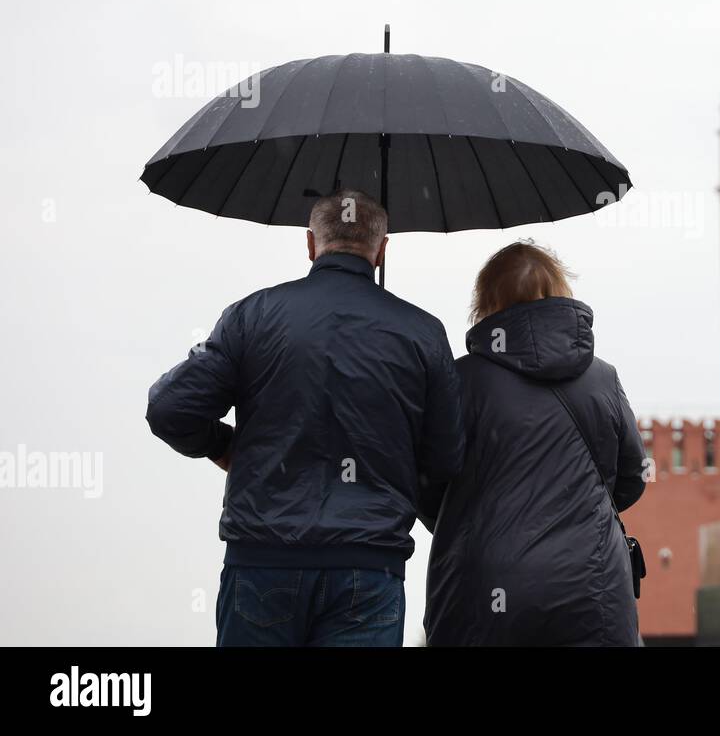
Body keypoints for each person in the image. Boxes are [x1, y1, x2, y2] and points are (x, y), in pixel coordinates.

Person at [146, 189, 463, 646]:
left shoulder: (251, 316)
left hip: (261, 562)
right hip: (369, 570)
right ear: (383, 248)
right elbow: (447, 458)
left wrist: (223, 446)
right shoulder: (423, 333)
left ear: (311, 244)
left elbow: (170, 408)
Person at [423, 241, 646, 646]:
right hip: (593, 587)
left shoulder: (461, 380)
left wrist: (468, 522)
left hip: (488, 586)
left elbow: (427, 481)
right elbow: (633, 476)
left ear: (487, 302)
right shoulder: (604, 379)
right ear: (561, 292)